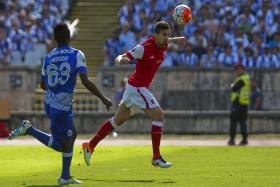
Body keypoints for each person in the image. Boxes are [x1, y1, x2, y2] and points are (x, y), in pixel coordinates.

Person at [8, 23, 112, 185]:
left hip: (50, 103)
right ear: (70, 37)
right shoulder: (77, 54)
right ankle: (29, 129)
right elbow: (85, 81)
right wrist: (103, 98)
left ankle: (65, 176)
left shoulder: (48, 57)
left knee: (72, 135)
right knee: (62, 144)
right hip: (62, 107)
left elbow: (42, 85)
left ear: (54, 39)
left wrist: (55, 88)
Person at [82, 21, 186, 168]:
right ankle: (156, 157)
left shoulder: (163, 43)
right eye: (164, 35)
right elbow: (121, 57)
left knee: (117, 120)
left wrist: (177, 39)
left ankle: (90, 146)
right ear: (155, 35)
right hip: (138, 88)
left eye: (168, 35)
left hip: (133, 89)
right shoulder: (142, 48)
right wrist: (120, 60)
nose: (166, 38)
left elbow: (166, 40)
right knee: (159, 116)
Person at [228, 63, 250, 146]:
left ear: (243, 70)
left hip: (238, 103)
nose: (238, 71)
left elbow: (234, 89)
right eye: (237, 70)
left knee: (234, 121)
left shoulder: (241, 79)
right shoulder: (247, 78)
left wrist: (231, 85)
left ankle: (232, 140)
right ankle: (244, 139)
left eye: (239, 69)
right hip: (244, 103)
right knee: (242, 122)